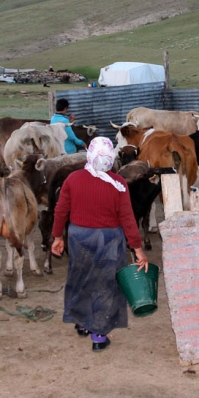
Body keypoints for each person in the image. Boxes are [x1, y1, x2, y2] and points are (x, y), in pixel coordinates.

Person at [50, 137, 150, 351]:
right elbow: (128, 218)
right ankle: (98, 335)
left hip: (79, 236)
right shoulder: (119, 183)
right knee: (106, 284)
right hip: (109, 239)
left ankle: (82, 322)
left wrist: (58, 236)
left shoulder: (73, 179)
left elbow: (61, 210)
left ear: (90, 155)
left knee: (82, 277)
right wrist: (137, 249)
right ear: (111, 158)